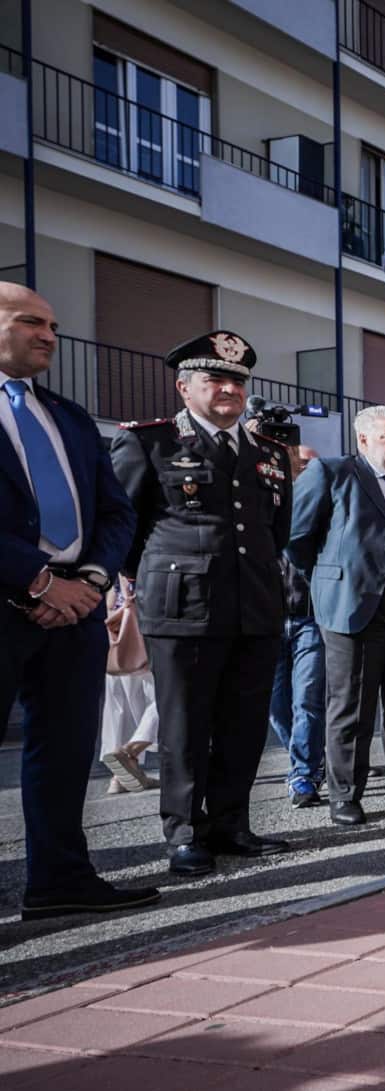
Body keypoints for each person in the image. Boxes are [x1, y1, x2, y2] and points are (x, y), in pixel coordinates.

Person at [109, 330, 295, 878]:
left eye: (238, 381)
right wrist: (147, 580)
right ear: (184, 387)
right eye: (216, 378)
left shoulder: (267, 453)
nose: (230, 389)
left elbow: (275, 531)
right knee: (185, 725)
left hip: (254, 604)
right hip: (183, 606)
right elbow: (124, 527)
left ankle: (231, 824)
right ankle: (186, 832)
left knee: (244, 724)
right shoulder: (151, 443)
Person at [0, 281, 154, 919]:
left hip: (76, 607)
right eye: (31, 322)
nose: (49, 336)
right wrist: (38, 581)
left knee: (65, 752)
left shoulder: (67, 415)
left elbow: (116, 512)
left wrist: (88, 582)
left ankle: (59, 881)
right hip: (12, 596)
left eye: (54, 327)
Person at [288, 405, 385, 827]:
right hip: (356, 605)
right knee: (352, 705)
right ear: (364, 439)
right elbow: (297, 539)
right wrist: (331, 581)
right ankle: (345, 794)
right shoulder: (333, 473)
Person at [270, 446, 326, 809]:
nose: (305, 466)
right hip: (269, 616)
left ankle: (303, 773)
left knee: (307, 698)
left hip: (310, 616)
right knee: (277, 707)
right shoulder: (266, 498)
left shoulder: (323, 503)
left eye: (311, 462)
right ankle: (310, 756)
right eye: (300, 460)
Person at [101, 575, 159, 793]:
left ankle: (119, 777)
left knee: (120, 705)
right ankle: (130, 751)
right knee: (169, 694)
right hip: (143, 620)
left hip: (117, 626)